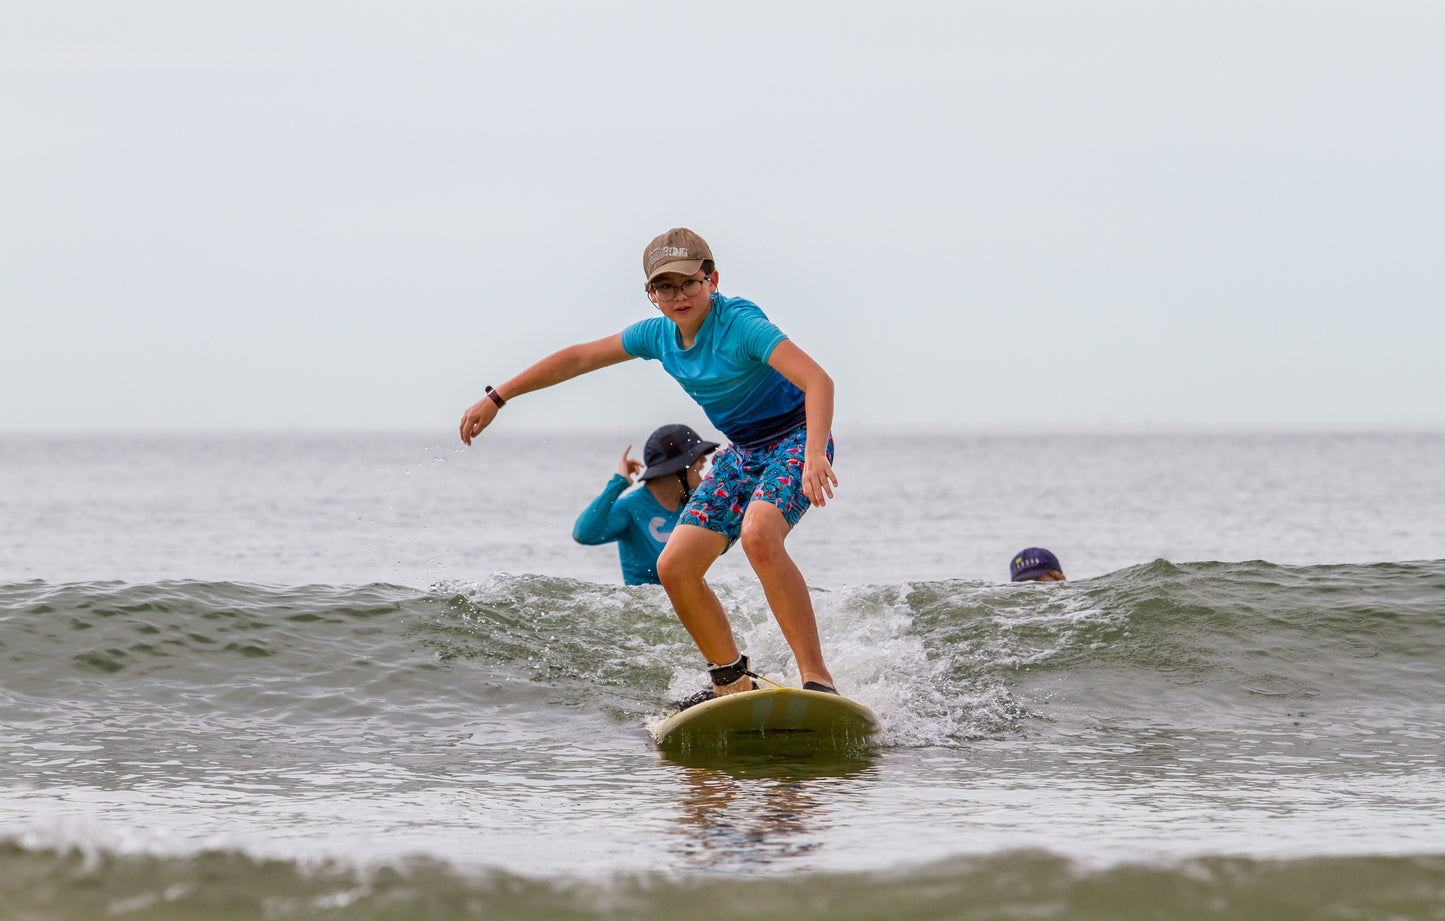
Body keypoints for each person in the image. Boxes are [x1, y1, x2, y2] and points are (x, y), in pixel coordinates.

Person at [459, 227, 841, 701]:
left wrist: (813, 454)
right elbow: (578, 359)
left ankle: (817, 679)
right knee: (674, 566)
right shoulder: (657, 336)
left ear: (712, 279)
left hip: (796, 438)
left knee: (759, 534)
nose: (679, 296)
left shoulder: (741, 325)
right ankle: (731, 682)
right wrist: (498, 397)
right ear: (651, 293)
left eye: (689, 283)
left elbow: (818, 381)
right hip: (743, 451)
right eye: (665, 287)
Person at [572, 424, 718, 586]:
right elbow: (583, 534)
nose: (704, 459)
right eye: (696, 455)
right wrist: (618, 482)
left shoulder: (695, 505)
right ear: (676, 467)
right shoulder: (631, 507)